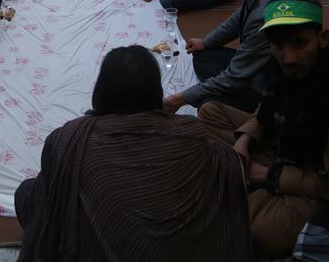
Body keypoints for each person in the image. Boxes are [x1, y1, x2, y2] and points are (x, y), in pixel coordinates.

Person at [198, 0, 329, 260]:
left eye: (300, 44)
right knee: (209, 112)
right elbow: (267, 109)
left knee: (256, 233)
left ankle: (250, 190)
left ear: (322, 39)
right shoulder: (281, 66)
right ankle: (246, 182)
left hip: (322, 176)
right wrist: (244, 140)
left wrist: (266, 175)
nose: (289, 58)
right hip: (290, 145)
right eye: (279, 46)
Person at [14, 46, 251, 262]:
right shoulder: (190, 132)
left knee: (28, 192)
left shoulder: (68, 137)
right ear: (156, 91)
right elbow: (231, 166)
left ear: (101, 91)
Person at [163, 0, 295, 114]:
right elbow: (240, 16)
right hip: (258, 62)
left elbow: (235, 78)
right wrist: (206, 42)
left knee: (206, 104)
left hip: (271, 84)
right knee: (202, 55)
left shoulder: (262, 17)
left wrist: (181, 99)